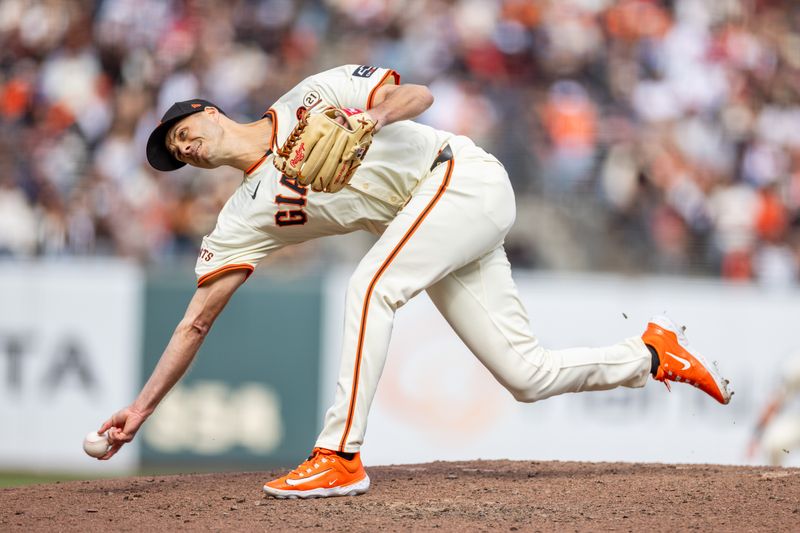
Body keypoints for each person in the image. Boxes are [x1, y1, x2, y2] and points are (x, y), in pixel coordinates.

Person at [97, 65, 733, 499]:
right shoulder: (242, 216)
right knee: (526, 375)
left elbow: (419, 95)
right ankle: (650, 353)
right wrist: (142, 408)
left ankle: (339, 456)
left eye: (185, 132)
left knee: (370, 286)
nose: (187, 148)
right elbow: (197, 318)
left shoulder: (309, 96)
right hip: (437, 223)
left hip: (461, 176)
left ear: (209, 112)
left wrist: (368, 117)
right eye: (178, 153)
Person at [748, 353, 800, 466]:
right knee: (774, 443)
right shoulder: (796, 365)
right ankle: (775, 479)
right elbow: (776, 400)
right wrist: (755, 437)